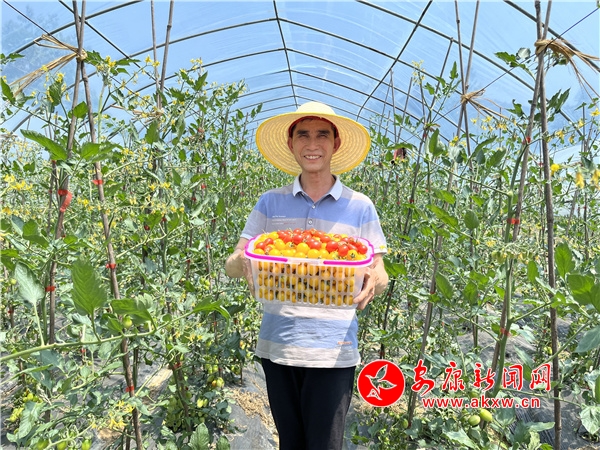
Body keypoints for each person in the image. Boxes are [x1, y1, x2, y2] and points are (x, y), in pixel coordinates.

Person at [225, 101, 388, 450]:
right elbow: (234, 260)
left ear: (336, 144)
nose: (312, 144)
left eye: (322, 135)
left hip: (333, 349)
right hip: (278, 345)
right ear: (291, 144)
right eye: (303, 135)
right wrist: (243, 263)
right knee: (290, 444)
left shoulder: (360, 206)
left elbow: (379, 270)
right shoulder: (269, 202)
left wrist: (374, 280)